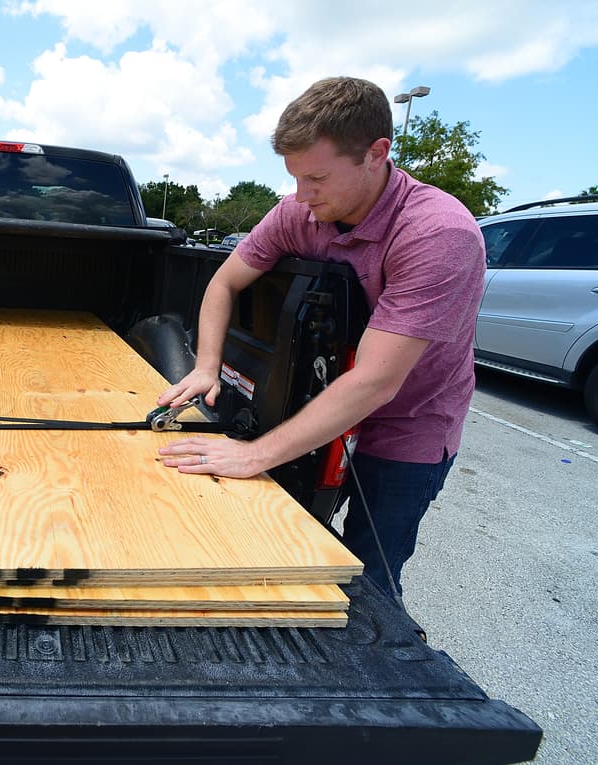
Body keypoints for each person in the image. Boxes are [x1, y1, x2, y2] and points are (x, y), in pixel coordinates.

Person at [157, 76, 485, 596]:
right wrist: (206, 366)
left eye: (316, 178)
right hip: (317, 407)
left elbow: (375, 384)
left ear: (377, 153)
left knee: (364, 578)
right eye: (294, 178)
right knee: (299, 546)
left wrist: (254, 455)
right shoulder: (300, 212)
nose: (302, 196)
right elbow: (224, 282)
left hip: (406, 427)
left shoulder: (438, 234)